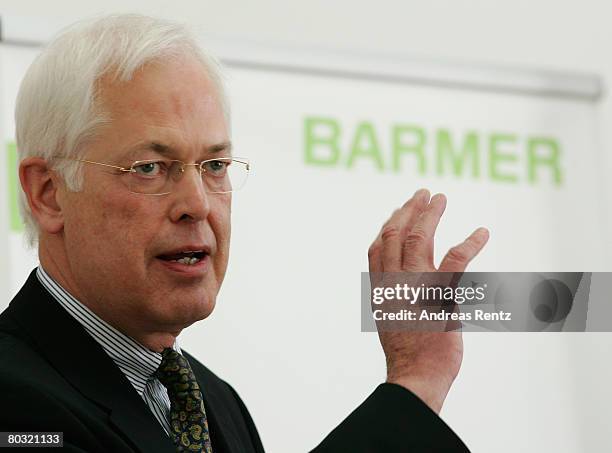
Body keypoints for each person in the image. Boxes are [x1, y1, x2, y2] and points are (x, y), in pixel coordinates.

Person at [0, 14, 489, 453]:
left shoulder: (214, 401)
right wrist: (415, 381)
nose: (197, 204)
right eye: (149, 167)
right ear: (48, 193)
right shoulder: (15, 401)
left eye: (214, 165)